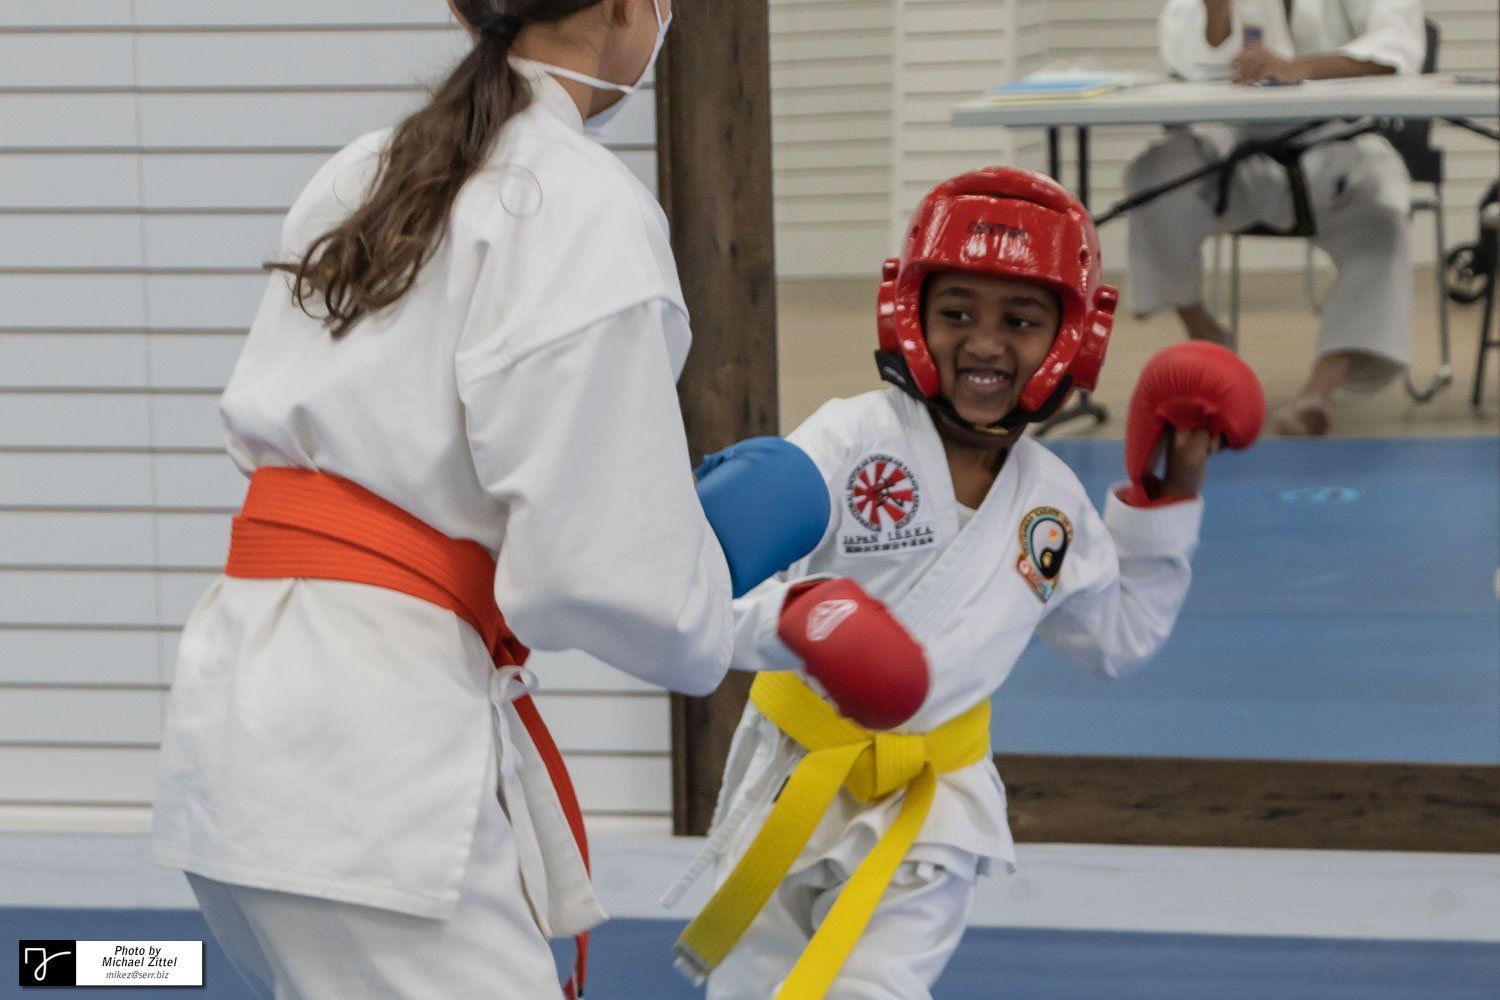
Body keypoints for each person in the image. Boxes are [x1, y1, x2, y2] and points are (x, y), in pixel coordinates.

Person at [151, 2, 831, 997]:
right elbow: (595, 574)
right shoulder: (580, 205)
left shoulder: (363, 168)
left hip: (244, 712)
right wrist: (708, 568)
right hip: (373, 754)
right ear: (619, 9)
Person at [663, 167, 1265, 1000]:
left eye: (1020, 320)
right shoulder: (849, 438)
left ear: (1071, 339)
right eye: (956, 314)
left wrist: (1167, 496)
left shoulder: (1050, 502)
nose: (985, 344)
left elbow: (1116, 641)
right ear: (909, 315)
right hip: (789, 776)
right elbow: (694, 604)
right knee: (748, 989)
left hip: (933, 803)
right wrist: (800, 618)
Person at [1125, 0, 1426, 435]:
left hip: (1337, 146)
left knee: (1382, 216)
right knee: (1152, 176)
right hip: (1235, 149)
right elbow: (1184, 58)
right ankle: (1204, 331)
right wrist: (1218, 12)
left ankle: (1321, 388)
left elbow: (1398, 44)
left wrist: (1299, 68)